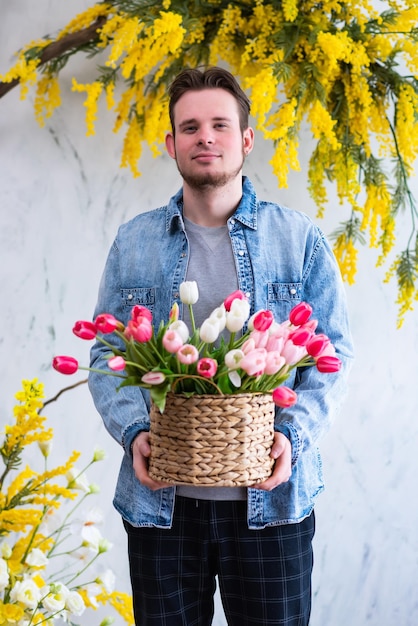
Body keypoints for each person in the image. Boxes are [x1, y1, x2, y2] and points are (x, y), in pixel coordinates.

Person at [88, 66, 353, 626]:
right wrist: (135, 431)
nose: (204, 137)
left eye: (219, 125)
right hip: (161, 507)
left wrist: (292, 435)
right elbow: (105, 353)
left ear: (246, 140)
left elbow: (333, 354)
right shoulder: (134, 240)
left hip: (272, 507)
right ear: (172, 144)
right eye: (189, 128)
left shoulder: (297, 238)